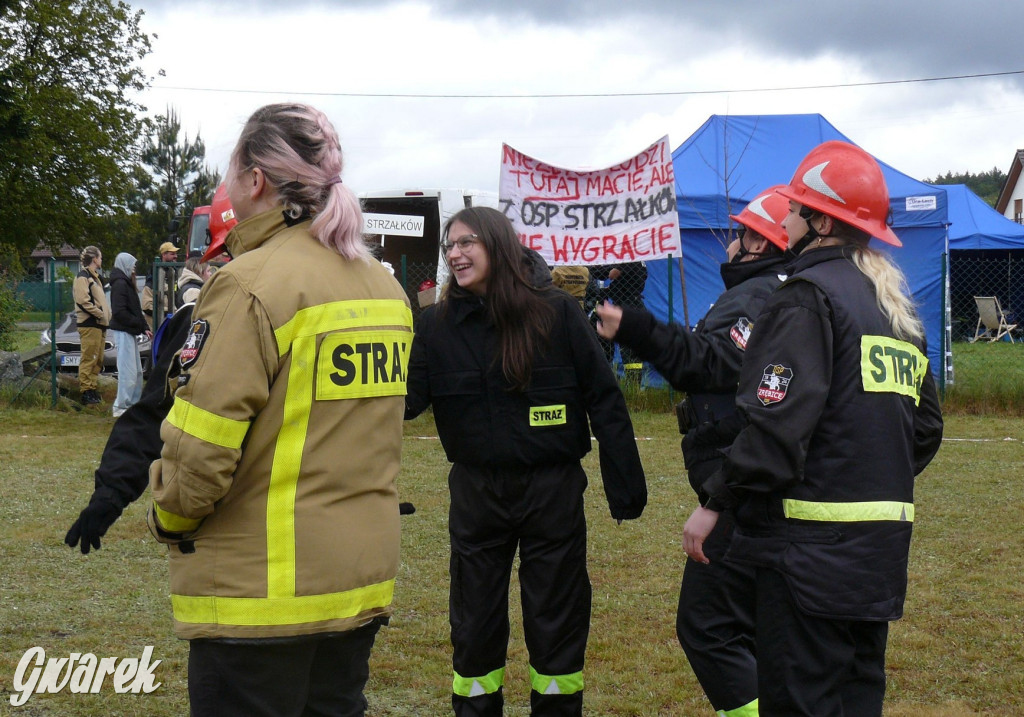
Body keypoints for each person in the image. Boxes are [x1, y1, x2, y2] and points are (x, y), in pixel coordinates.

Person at [148, 102, 413, 717]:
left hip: (261, 591)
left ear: (256, 180)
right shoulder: (384, 286)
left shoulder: (248, 284)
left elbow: (201, 447)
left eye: (231, 171)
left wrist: (171, 519)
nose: (226, 186)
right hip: (358, 580)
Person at [682, 141, 944, 716]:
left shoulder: (806, 299)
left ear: (822, 221)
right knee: (856, 698)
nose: (787, 223)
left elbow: (775, 430)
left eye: (797, 212)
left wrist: (716, 501)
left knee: (800, 701)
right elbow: (922, 430)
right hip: (879, 552)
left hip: (806, 557)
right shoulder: (895, 309)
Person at [405, 206, 647, 717]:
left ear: (499, 245)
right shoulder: (436, 325)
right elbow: (404, 402)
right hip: (476, 494)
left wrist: (625, 487)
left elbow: (605, 399)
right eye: (450, 245)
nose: (455, 253)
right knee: (474, 627)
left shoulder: (556, 312)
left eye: (467, 242)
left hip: (551, 491)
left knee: (556, 622)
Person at [595, 185, 791, 717]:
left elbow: (710, 362)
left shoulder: (757, 296)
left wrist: (634, 326)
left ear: (760, 242)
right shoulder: (778, 291)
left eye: (742, 232)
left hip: (742, 486)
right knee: (755, 629)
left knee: (707, 627)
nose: (730, 242)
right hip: (759, 485)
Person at [108, 252, 152, 417]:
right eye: (132, 264)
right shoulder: (120, 284)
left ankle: (132, 404)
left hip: (129, 331)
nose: (134, 267)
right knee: (128, 371)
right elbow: (119, 312)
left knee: (136, 371)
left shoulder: (125, 283)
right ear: (125, 264)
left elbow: (135, 309)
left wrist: (144, 327)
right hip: (123, 331)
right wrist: (139, 324)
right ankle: (121, 406)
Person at [589, 261, 647, 380]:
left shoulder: (631, 260)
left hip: (630, 307)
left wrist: (602, 269)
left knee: (630, 350)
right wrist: (593, 268)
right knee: (625, 347)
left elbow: (612, 274)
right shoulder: (632, 262)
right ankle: (631, 382)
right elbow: (607, 274)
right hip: (625, 305)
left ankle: (634, 384)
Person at [72, 245, 109, 405]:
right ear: (94, 259)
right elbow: (82, 301)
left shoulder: (95, 278)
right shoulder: (83, 277)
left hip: (99, 325)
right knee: (89, 357)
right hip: (90, 324)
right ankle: (86, 391)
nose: (101, 260)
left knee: (97, 358)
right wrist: (99, 313)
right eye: (100, 257)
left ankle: (92, 388)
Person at [142, 240, 180, 320]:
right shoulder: (152, 279)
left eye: (176, 254)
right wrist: (170, 311)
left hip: (170, 322)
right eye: (172, 254)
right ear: (164, 255)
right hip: (156, 326)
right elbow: (146, 307)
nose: (176, 256)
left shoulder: (175, 273)